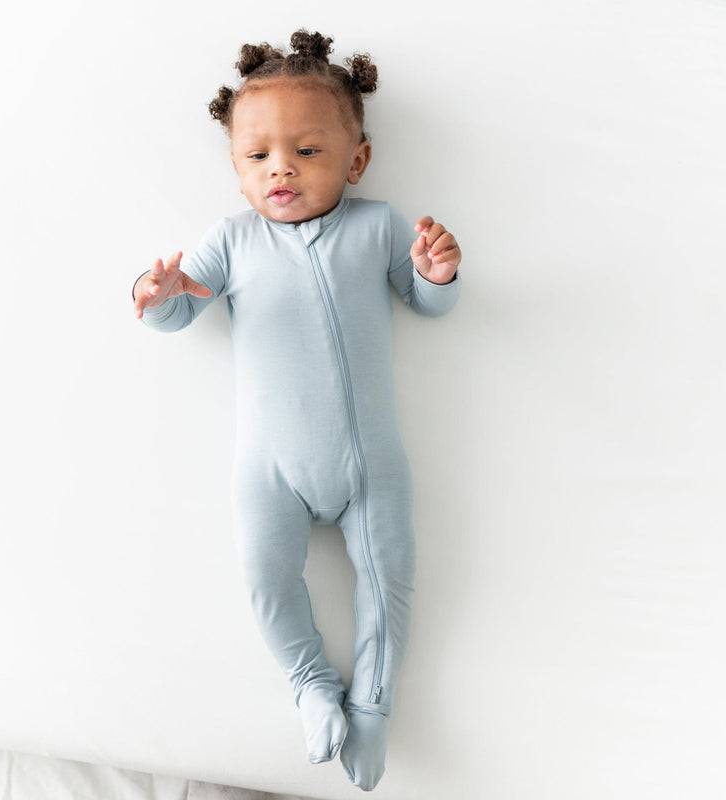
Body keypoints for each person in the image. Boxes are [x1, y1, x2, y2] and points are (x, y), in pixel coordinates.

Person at [132, 30, 462, 792]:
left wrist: (437, 273)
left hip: (370, 467)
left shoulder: (378, 226)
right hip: (270, 471)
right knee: (265, 577)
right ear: (237, 169)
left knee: (390, 581)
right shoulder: (231, 241)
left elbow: (426, 303)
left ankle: (372, 706)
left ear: (357, 160)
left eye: (307, 151)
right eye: (258, 156)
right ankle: (311, 682)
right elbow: (178, 313)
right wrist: (155, 294)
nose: (280, 167)